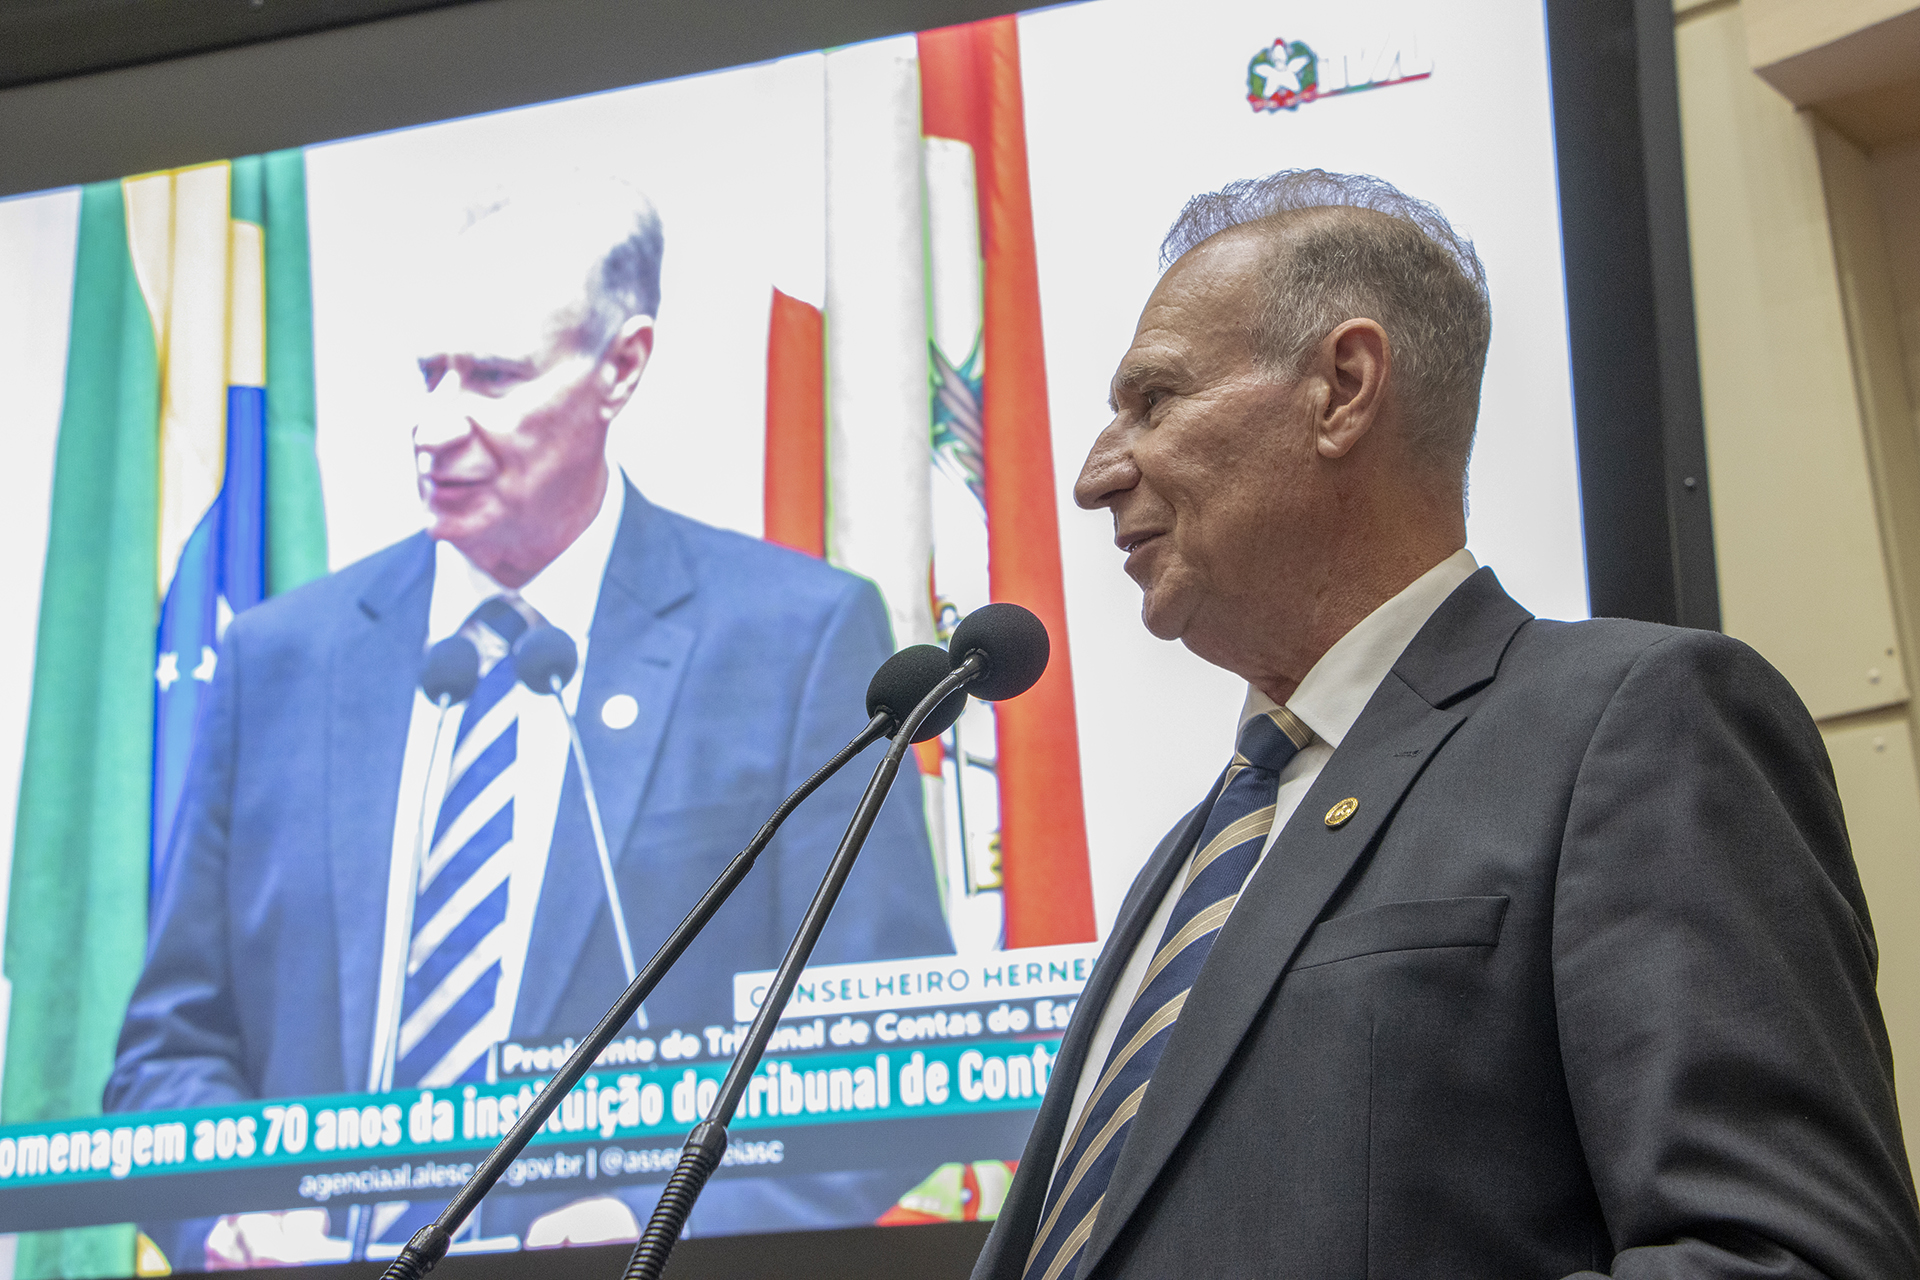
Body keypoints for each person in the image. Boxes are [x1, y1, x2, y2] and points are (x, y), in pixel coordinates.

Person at [972, 170, 1920, 1279]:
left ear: (1343, 388)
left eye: (1154, 401)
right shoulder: (1188, 864)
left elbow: (1789, 1255)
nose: (1095, 475)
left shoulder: (1634, 722)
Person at [104, 178, 952, 1264]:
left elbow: (882, 1056)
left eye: (495, 376)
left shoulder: (795, 640)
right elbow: (171, 1048)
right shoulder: (281, 659)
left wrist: (663, 1219)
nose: (434, 426)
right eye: (430, 374)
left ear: (623, 365)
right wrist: (225, 1217)